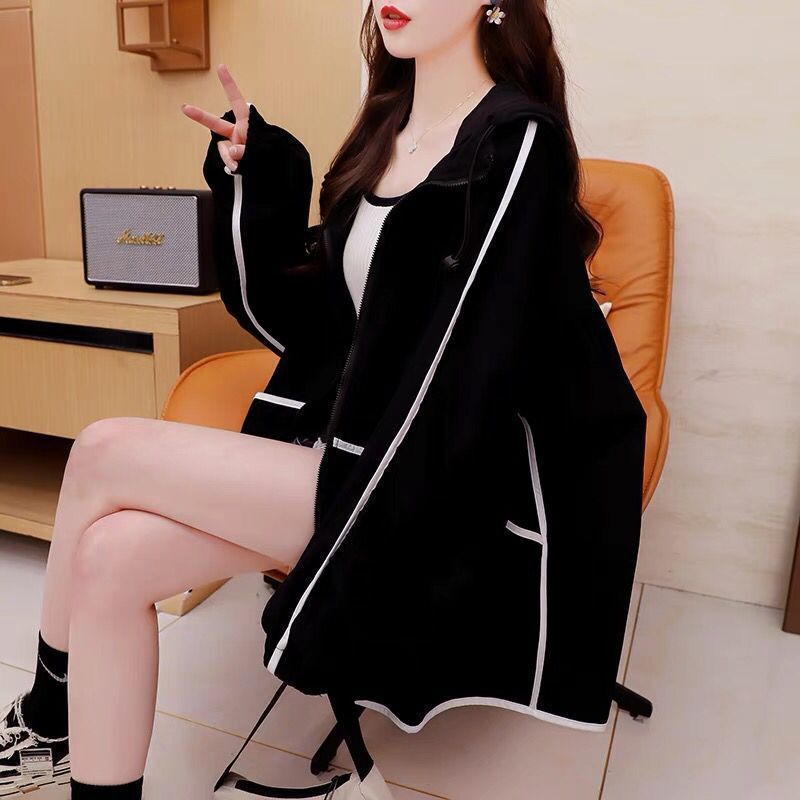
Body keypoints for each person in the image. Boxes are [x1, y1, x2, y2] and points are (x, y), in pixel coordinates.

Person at [2, 1, 644, 797]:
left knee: (103, 447)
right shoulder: (387, 132)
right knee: (109, 556)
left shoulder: (516, 142)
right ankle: (65, 759)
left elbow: (466, 363)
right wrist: (260, 174)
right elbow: (317, 326)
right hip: (349, 447)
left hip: (437, 477)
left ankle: (45, 714)